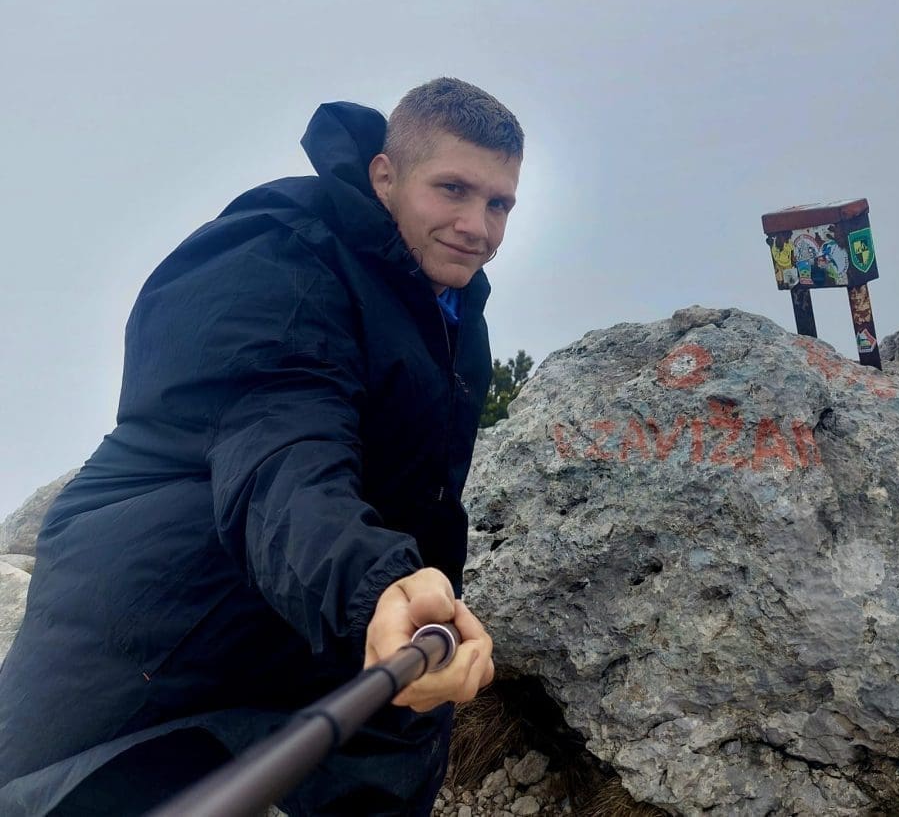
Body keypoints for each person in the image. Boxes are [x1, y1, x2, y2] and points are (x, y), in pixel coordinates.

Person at [0, 77, 523, 815]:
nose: (477, 225)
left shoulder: (448, 304)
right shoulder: (280, 254)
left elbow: (420, 491)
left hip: (304, 601)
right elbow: (279, 453)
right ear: (386, 176)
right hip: (157, 611)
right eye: (453, 190)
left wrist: (417, 596)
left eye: (499, 203)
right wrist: (377, 587)